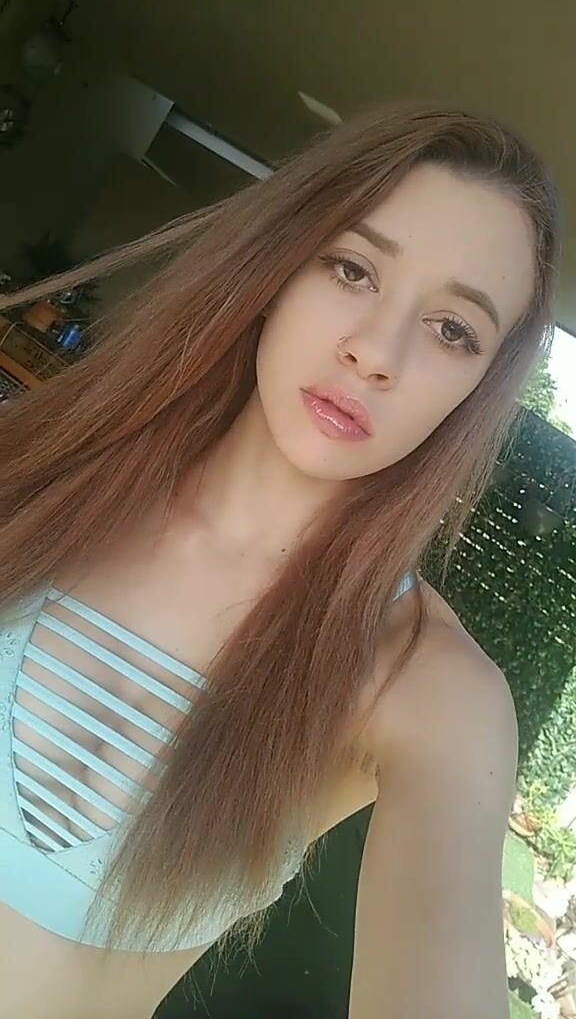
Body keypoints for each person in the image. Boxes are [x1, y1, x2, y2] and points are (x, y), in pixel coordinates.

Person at [0, 100, 559, 1019]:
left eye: (453, 330)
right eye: (353, 269)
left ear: (476, 391)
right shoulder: (44, 470)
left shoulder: (423, 685)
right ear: (279, 270)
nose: (374, 352)